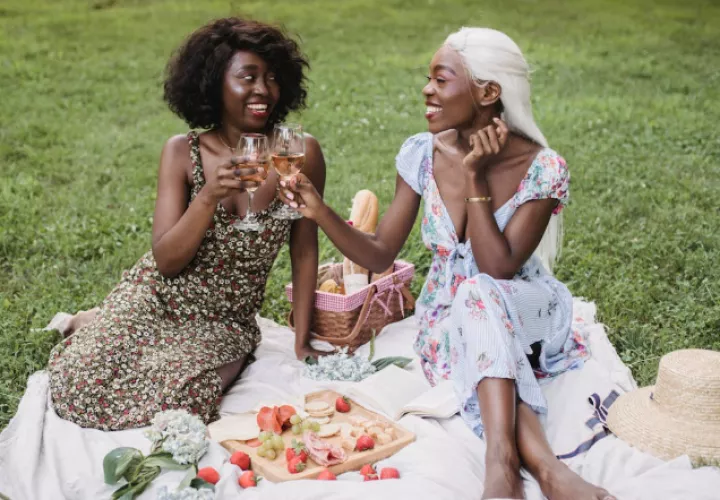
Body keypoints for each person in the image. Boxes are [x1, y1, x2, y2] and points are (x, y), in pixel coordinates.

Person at [281, 27, 616, 500]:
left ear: (488, 92)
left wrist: (474, 176)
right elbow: (380, 253)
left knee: (477, 293)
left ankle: (501, 467)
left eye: (441, 80)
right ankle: (545, 469)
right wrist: (319, 209)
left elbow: (497, 268)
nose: (427, 90)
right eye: (429, 79)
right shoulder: (422, 153)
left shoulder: (543, 166)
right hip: (448, 318)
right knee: (471, 311)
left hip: (527, 308)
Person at [47, 17, 327, 431]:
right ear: (213, 83)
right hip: (159, 296)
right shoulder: (181, 152)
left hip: (224, 319)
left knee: (181, 399)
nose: (263, 90)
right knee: (80, 384)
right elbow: (166, 262)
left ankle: (93, 320)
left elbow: (304, 252)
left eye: (271, 78)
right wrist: (209, 195)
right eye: (247, 77)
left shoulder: (299, 152)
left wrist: (302, 341)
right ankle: (89, 321)